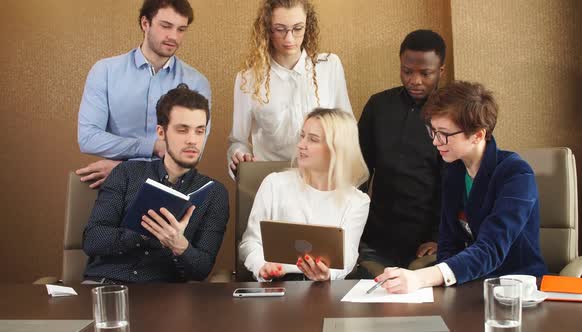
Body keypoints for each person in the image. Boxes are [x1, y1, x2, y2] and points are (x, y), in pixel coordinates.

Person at [374, 81, 547, 293]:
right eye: (433, 131)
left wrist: (421, 278)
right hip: (470, 284)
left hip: (516, 289)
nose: (436, 142)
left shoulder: (516, 175)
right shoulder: (454, 171)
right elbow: (449, 244)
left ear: (478, 135)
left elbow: (491, 249)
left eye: (444, 133)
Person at [82, 84, 229, 283]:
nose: (192, 140)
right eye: (182, 130)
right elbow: (92, 240)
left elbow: (202, 268)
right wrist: (142, 235)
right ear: (161, 132)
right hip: (106, 285)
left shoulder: (214, 193)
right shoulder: (126, 173)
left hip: (163, 297)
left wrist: (178, 245)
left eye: (199, 131)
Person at [77, 0, 211, 188]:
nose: (173, 36)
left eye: (181, 29)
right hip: (112, 190)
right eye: (166, 26)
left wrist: (123, 171)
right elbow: (88, 138)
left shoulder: (197, 83)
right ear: (145, 23)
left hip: (170, 188)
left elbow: (193, 150)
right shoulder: (105, 72)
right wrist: (154, 146)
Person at [239, 108, 369, 281]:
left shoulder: (357, 201)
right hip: (277, 285)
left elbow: (348, 256)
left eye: (313, 139)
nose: (301, 144)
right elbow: (249, 243)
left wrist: (327, 274)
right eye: (302, 136)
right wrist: (262, 267)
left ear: (336, 149)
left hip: (325, 289)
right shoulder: (275, 184)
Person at [227, 0, 352, 177]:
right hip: (271, 181)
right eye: (280, 29)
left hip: (323, 178)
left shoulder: (330, 66)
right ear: (267, 29)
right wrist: (238, 156)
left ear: (307, 26)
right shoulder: (247, 79)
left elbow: (348, 129)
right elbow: (237, 141)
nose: (289, 38)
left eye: (298, 28)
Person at [357, 30, 445, 275]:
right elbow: (359, 172)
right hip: (377, 235)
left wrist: (440, 236)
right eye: (407, 71)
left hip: (428, 241)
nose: (415, 80)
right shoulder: (379, 106)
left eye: (425, 73)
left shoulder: (452, 114)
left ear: (440, 71)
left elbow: (455, 183)